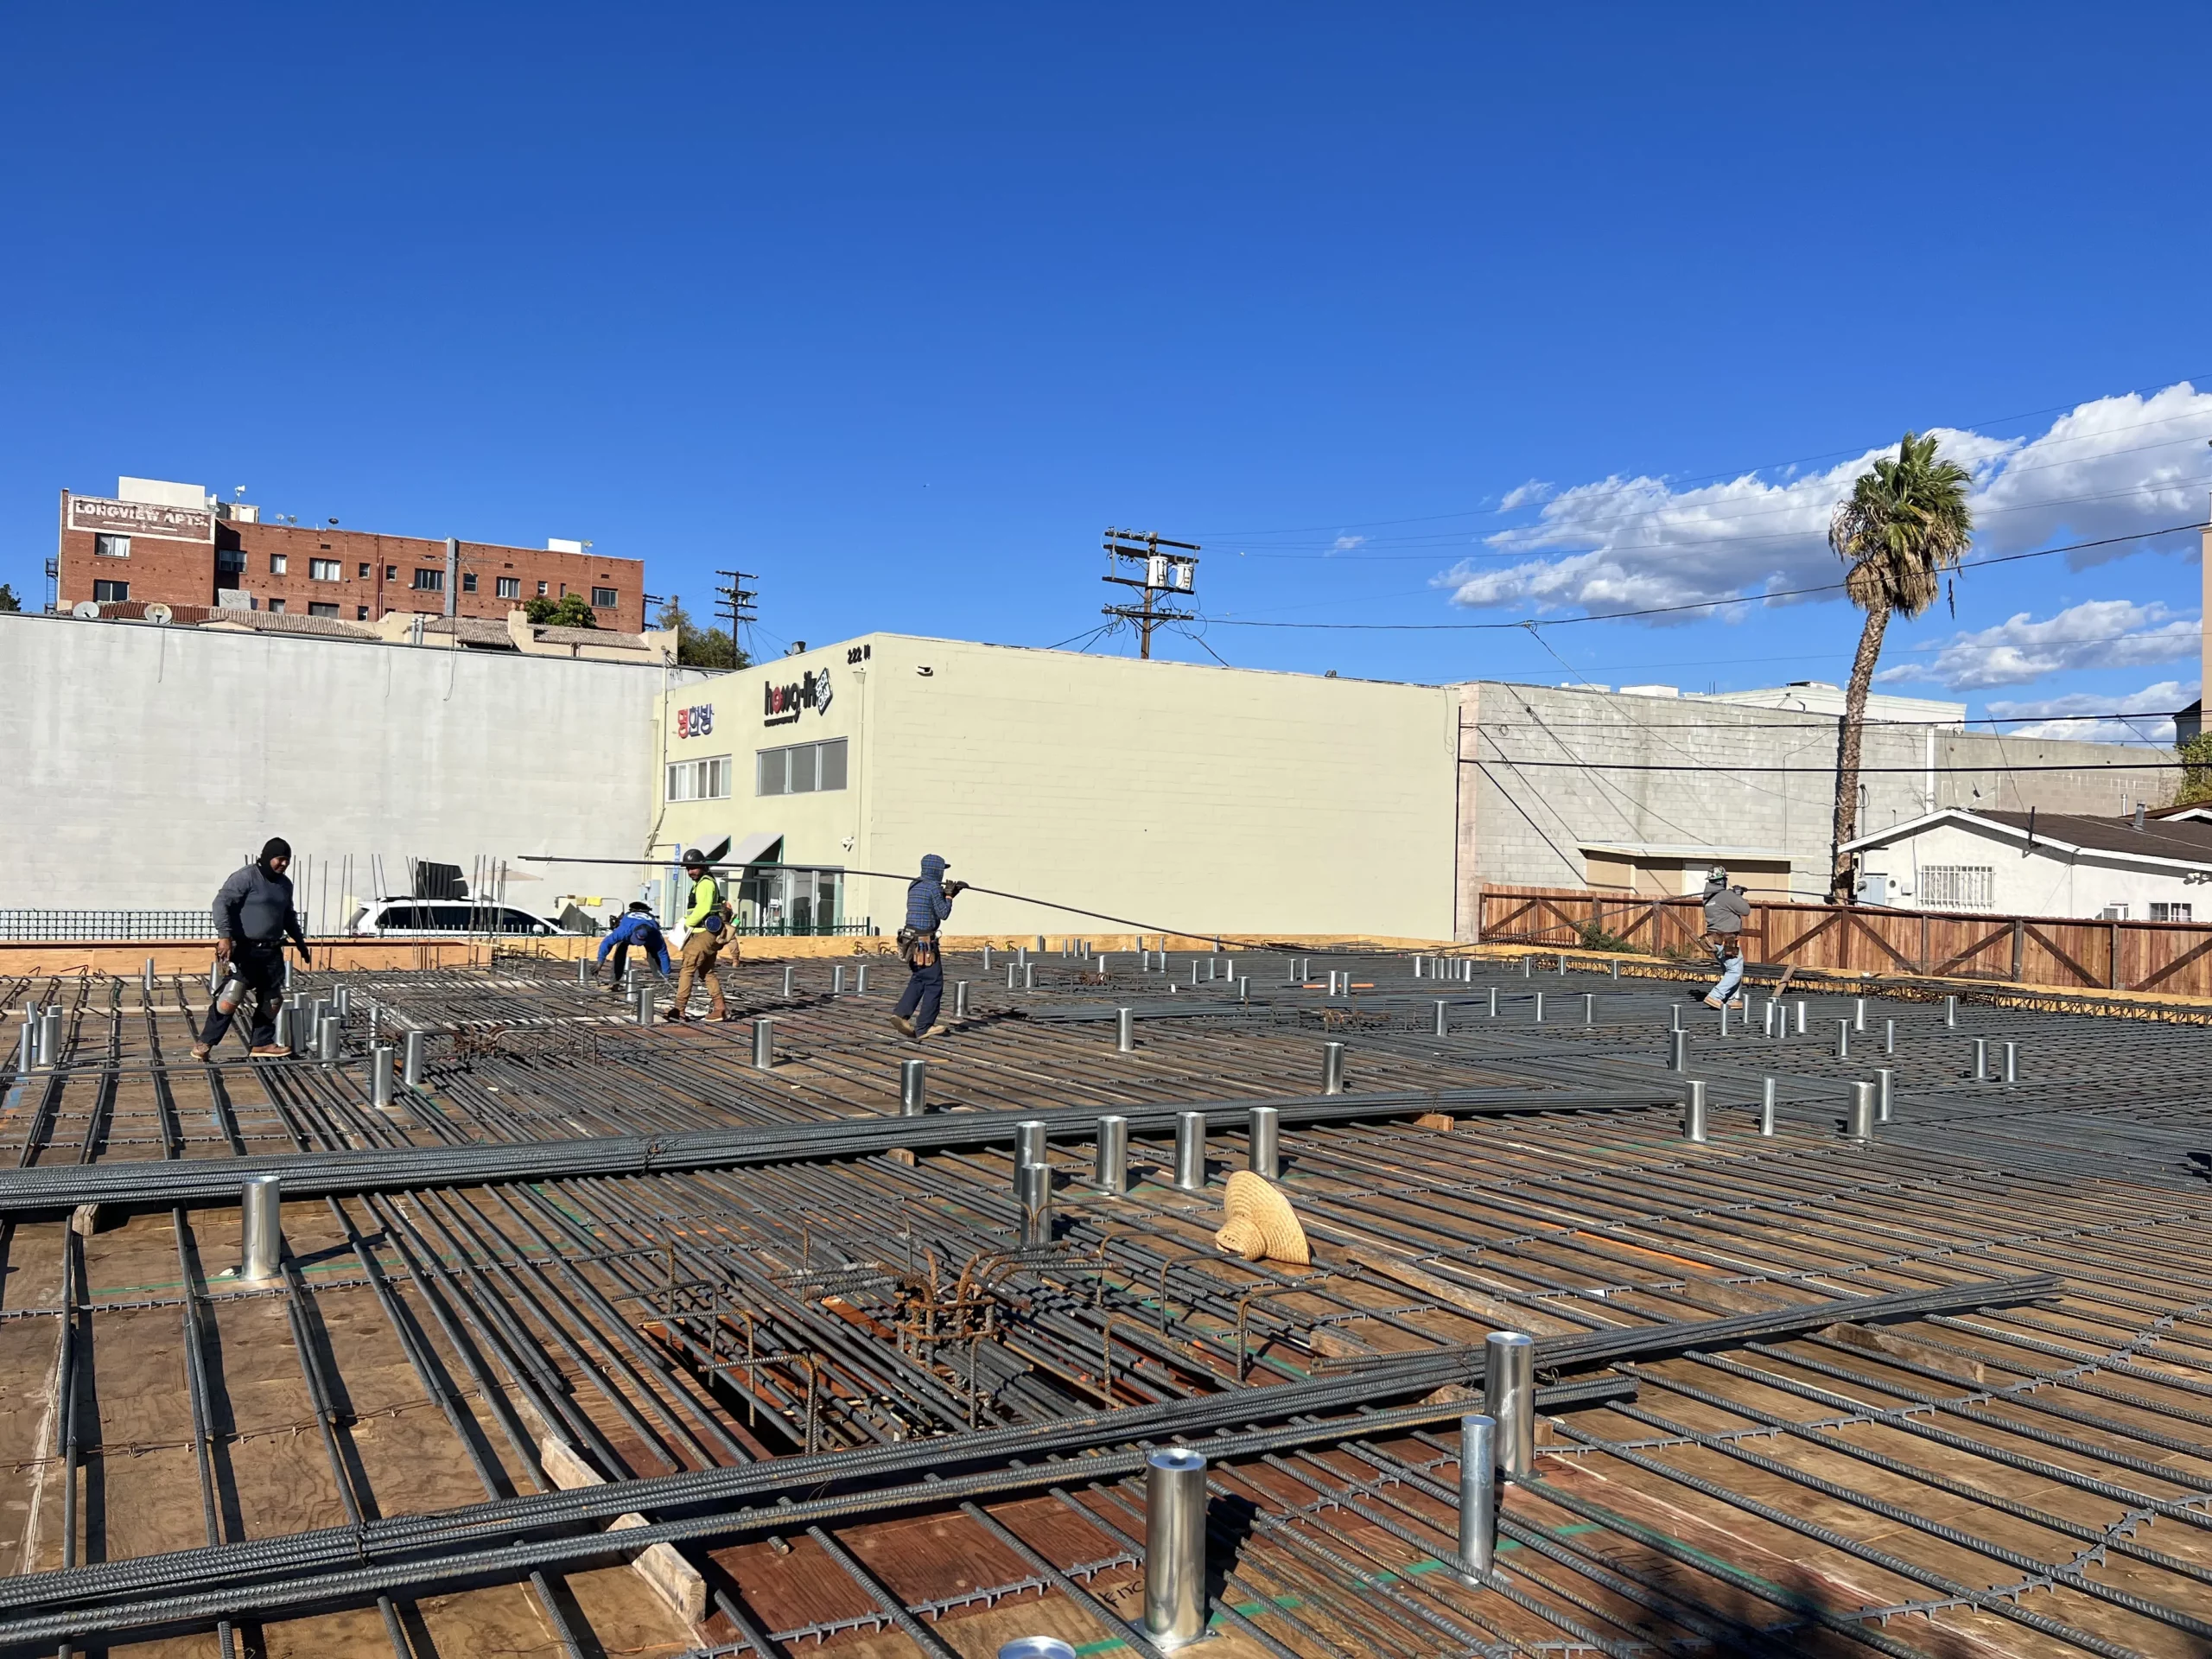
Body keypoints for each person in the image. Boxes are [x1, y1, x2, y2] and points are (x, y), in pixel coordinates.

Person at [192, 838, 310, 1060]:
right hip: (245, 948)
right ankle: (205, 1042)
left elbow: (288, 916)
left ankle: (262, 1043)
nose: (284, 864)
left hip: (272, 951)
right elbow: (221, 904)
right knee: (230, 996)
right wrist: (224, 937)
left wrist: (301, 943)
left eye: (287, 860)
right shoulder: (246, 876)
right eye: (280, 859)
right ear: (267, 857)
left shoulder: (285, 884)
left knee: (272, 1000)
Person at [893, 853, 967, 1039]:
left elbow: (928, 904)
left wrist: (951, 893)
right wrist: (948, 897)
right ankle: (925, 1026)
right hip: (924, 944)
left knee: (919, 978)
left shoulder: (915, 884)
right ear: (937, 870)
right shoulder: (934, 886)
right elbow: (943, 913)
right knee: (934, 983)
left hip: (909, 940)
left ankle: (901, 1014)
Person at [668, 848, 736, 1021]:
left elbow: (703, 908)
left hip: (703, 934)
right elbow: (696, 909)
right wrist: (684, 919)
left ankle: (679, 1010)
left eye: (693, 867)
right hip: (707, 933)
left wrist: (687, 924)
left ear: (702, 866)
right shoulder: (702, 882)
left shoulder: (705, 883)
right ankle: (720, 1009)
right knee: (706, 971)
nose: (690, 871)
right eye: (688, 868)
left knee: (687, 969)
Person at [1700, 866, 1751, 1009]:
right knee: (1735, 971)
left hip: (1714, 940)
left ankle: (1729, 999)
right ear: (1722, 880)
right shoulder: (1726, 896)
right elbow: (1745, 910)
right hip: (1726, 939)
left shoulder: (1707, 899)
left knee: (1729, 970)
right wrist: (1737, 895)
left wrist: (1734, 895)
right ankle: (1715, 996)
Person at [595, 901, 671, 994]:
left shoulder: (655, 935)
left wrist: (667, 975)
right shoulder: (623, 931)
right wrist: (600, 962)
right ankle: (614, 982)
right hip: (628, 932)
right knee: (620, 952)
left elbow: (663, 955)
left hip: (649, 937)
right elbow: (606, 943)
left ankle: (661, 981)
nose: (638, 944)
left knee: (654, 955)